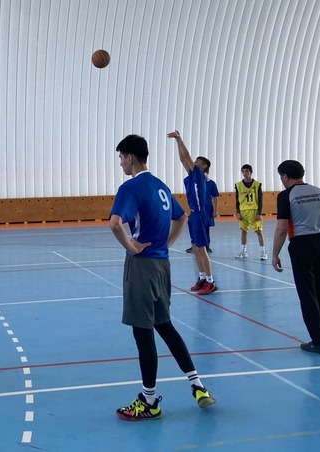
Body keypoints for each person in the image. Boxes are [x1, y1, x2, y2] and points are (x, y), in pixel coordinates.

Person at [109, 134, 216, 421]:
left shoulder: (130, 187)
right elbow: (182, 217)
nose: (120, 164)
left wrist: (131, 247)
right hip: (163, 266)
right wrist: (166, 244)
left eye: (121, 158)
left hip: (142, 267)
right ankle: (197, 385)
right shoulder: (161, 186)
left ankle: (149, 401)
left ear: (130, 157)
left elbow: (115, 224)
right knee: (164, 325)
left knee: (142, 332)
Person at [271, 160, 320, 355]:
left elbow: (282, 228)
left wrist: (275, 254)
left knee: (308, 295)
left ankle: (319, 342)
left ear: (285, 176)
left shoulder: (285, 196)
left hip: (301, 244)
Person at [167, 130, 218, 295]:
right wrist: (177, 143)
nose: (194, 163)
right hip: (193, 214)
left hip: (200, 214)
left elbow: (186, 157)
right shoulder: (192, 176)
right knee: (195, 248)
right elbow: (183, 159)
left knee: (202, 249)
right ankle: (202, 277)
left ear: (203, 167)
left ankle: (210, 281)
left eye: (198, 162)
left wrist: (179, 139)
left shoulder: (199, 175)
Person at [234, 164, 268, 260]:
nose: (245, 173)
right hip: (243, 211)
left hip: (254, 210)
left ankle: (263, 252)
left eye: (247, 171)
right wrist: (238, 212)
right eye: (243, 171)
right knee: (243, 231)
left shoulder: (257, 184)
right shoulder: (238, 185)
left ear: (251, 172)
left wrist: (259, 213)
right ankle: (243, 251)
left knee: (259, 231)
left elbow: (260, 200)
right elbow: (237, 200)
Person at [185, 169, 218, 254]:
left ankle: (206, 244)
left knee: (206, 227)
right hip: (197, 208)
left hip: (207, 208)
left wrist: (215, 210)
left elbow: (215, 197)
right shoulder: (195, 182)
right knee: (195, 226)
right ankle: (195, 243)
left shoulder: (211, 183)